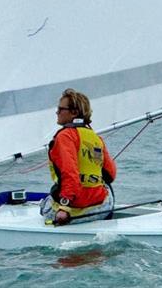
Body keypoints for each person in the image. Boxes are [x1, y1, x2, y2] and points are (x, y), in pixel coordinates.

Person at [40, 88, 116, 226]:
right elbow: (110, 175)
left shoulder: (65, 136)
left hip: (75, 211)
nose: (57, 112)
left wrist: (64, 207)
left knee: (43, 206)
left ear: (74, 112)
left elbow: (70, 173)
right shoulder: (95, 137)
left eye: (60, 109)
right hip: (102, 208)